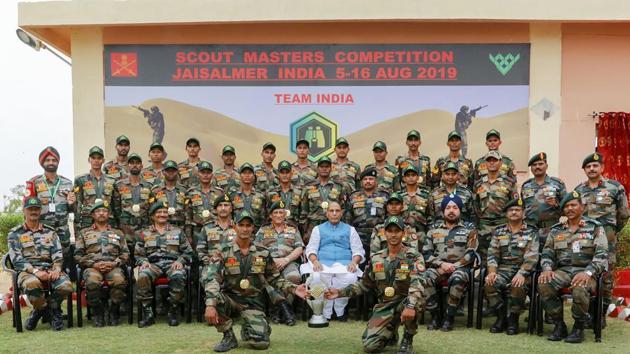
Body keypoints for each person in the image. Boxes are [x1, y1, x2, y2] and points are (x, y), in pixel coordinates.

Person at [204, 211, 307, 352]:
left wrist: (294, 289)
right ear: (234, 226)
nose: (245, 229)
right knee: (215, 298)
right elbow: (212, 278)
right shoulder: (223, 250)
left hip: (252, 302)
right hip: (230, 300)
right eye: (241, 225)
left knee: (261, 344)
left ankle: (252, 327)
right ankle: (228, 336)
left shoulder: (262, 252)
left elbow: (274, 278)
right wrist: (210, 304)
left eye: (248, 225)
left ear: (253, 228)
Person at [326, 216, 425, 354]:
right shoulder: (376, 258)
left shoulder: (414, 256)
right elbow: (364, 285)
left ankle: (407, 339)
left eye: (397, 231)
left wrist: (410, 306)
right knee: (370, 346)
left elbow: (417, 282)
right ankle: (391, 331)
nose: (393, 234)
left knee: (416, 301)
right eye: (390, 231)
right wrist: (340, 292)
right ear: (384, 233)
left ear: (403, 233)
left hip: (404, 301)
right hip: (385, 306)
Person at [538, 191, 608, 343]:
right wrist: (547, 269)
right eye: (566, 206)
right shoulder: (556, 230)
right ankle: (558, 324)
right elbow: (547, 254)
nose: (569, 208)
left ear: (582, 207)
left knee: (579, 285)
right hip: (562, 271)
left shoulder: (595, 227)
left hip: (587, 272)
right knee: (544, 282)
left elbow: (602, 255)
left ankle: (578, 327)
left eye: (573, 205)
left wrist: (588, 272)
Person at [574, 152, 630, 316]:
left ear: (602, 168)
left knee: (606, 276)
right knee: (585, 271)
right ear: (584, 170)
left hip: (607, 238)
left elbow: (624, 214)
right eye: (588, 166)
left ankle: (600, 313)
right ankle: (587, 309)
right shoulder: (579, 190)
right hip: (584, 239)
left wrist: (611, 231)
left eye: (595, 166)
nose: (591, 169)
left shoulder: (615, 187)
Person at [7, 197, 73, 331]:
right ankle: (50, 313)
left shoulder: (50, 231)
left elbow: (58, 255)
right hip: (27, 272)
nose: (33, 211)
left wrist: (56, 269)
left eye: (36, 208)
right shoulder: (15, 233)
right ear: (24, 211)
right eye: (30, 209)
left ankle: (38, 312)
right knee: (32, 284)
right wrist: (36, 272)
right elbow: (17, 260)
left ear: (40, 211)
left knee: (66, 286)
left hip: (49, 269)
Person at [422, 194, 478, 331]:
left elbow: (471, 253)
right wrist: (441, 264)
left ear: (460, 210)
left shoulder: (470, 230)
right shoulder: (433, 230)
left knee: (457, 278)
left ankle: (449, 317)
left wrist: (454, 266)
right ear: (443, 211)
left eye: (455, 207)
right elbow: (426, 253)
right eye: (448, 207)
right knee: (424, 277)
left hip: (461, 268)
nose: (451, 210)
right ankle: (436, 315)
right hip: (438, 268)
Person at [484, 197, 538, 335]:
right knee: (490, 283)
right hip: (502, 270)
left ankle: (513, 318)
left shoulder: (531, 231)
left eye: (517, 210)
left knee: (517, 285)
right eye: (511, 210)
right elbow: (492, 255)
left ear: (523, 213)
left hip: (523, 272)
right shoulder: (499, 231)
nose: (514, 212)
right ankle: (502, 316)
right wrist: (492, 272)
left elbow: (532, 257)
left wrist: (521, 273)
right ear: (506, 213)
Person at [135, 201, 193, 328]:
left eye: (165, 212)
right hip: (152, 265)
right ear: (152, 216)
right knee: (142, 275)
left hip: (172, 263)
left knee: (178, 275)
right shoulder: (144, 233)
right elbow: (138, 254)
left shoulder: (177, 232)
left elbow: (188, 252)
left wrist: (180, 261)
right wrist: (143, 262)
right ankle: (148, 313)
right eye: (159, 212)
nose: (162, 215)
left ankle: (173, 311)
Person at [305, 201, 365, 321]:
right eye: (331, 211)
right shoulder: (318, 229)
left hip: (345, 264)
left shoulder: (350, 229)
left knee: (350, 278)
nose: (334, 213)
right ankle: (325, 312)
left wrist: (354, 262)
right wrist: (315, 261)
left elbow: (358, 250)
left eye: (337, 211)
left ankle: (339, 310)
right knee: (316, 277)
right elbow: (311, 249)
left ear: (341, 213)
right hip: (323, 264)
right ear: (327, 213)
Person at [74, 201, 129, 327]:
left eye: (104, 211)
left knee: (119, 281)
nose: (101, 213)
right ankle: (97, 312)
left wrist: (115, 264)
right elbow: (77, 255)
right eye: (98, 211)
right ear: (93, 215)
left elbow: (125, 253)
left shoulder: (118, 233)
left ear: (108, 214)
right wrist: (93, 264)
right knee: (92, 282)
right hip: (93, 267)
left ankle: (113, 310)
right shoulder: (84, 233)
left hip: (113, 267)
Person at [254, 201, 304, 326]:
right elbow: (255, 248)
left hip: (288, 262)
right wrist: (270, 261)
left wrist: (286, 260)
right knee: (266, 279)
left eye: (281, 212)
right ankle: (284, 311)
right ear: (270, 215)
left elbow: (299, 248)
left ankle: (280, 310)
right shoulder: (263, 230)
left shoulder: (292, 229)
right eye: (275, 212)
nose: (278, 215)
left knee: (294, 277)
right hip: (268, 263)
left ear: (285, 214)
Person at [28, 146, 76, 266]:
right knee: (44, 258)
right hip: (42, 230)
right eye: (48, 160)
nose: (51, 163)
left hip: (62, 230)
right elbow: (28, 209)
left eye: (54, 160)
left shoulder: (67, 183)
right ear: (42, 162)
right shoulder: (34, 182)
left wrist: (72, 204)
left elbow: (73, 210)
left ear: (58, 162)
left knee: (64, 259)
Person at [473, 151, 517, 263]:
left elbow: (514, 206)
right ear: (485, 163)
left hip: (503, 226)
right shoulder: (478, 184)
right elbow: (475, 206)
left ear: (500, 162)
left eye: (494, 160)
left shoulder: (509, 183)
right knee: (484, 259)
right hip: (484, 227)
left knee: (504, 258)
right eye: (489, 160)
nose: (491, 163)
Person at [521, 152, 566, 250]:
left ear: (546, 166)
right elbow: (522, 208)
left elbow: (568, 210)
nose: (537, 167)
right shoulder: (526, 185)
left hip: (551, 230)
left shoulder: (557, 184)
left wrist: (556, 205)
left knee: (549, 258)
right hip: (530, 230)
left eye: (540, 164)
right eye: (534, 165)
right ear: (531, 168)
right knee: (530, 258)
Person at [111, 153, 152, 259]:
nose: (135, 165)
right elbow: (116, 208)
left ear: (142, 166)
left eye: (137, 163)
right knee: (126, 260)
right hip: (125, 230)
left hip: (143, 229)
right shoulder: (119, 185)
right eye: (132, 163)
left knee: (143, 259)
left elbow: (151, 209)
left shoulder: (149, 186)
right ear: (127, 166)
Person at [345, 167, 389, 259]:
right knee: (359, 265)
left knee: (378, 264)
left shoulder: (384, 196)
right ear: (361, 182)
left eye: (371, 179)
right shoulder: (354, 196)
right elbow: (348, 219)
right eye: (365, 179)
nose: (368, 181)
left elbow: (388, 217)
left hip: (379, 236)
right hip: (358, 237)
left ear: (376, 181)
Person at [301, 156, 346, 243]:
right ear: (317, 169)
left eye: (327, 167)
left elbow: (343, 209)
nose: (324, 169)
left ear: (331, 168)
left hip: (333, 226)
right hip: (313, 227)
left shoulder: (338, 186)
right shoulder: (308, 187)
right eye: (322, 167)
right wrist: (305, 231)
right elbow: (304, 211)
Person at [74, 146, 116, 230]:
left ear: (103, 160)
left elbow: (115, 205)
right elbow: (78, 204)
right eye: (93, 158)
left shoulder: (111, 180)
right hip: (88, 221)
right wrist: (77, 224)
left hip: (107, 221)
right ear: (89, 160)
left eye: (99, 158)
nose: (96, 161)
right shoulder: (81, 180)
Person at [185, 160, 223, 245]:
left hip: (215, 230)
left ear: (212, 175)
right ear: (198, 174)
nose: (205, 175)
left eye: (208, 172)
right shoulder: (191, 192)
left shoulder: (219, 192)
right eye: (203, 172)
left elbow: (224, 212)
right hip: (197, 231)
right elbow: (188, 215)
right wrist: (188, 235)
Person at [267, 160, 304, 231]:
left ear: (291, 174)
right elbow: (267, 214)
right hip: (275, 230)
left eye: (287, 172)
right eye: (282, 172)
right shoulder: (271, 193)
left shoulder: (299, 192)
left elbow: (303, 213)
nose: (285, 175)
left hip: (294, 229)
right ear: (278, 174)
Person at [150, 160, 188, 229]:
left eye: (173, 171)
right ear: (163, 172)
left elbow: (188, 211)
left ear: (177, 172)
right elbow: (151, 210)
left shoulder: (184, 190)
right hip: (162, 227)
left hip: (181, 227)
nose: (170, 173)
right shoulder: (155, 190)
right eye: (168, 171)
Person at [229, 163, 267, 229]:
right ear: (240, 175)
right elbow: (229, 215)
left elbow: (263, 217)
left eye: (249, 173)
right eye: (244, 173)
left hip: (255, 233)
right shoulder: (232, 194)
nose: (247, 175)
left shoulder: (260, 196)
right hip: (237, 232)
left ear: (253, 176)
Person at [400, 165, 433, 234]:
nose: (411, 177)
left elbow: (430, 217)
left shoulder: (426, 195)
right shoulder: (399, 195)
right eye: (408, 175)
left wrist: (429, 234)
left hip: (421, 234)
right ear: (404, 178)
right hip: (403, 235)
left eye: (413, 175)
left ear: (418, 177)